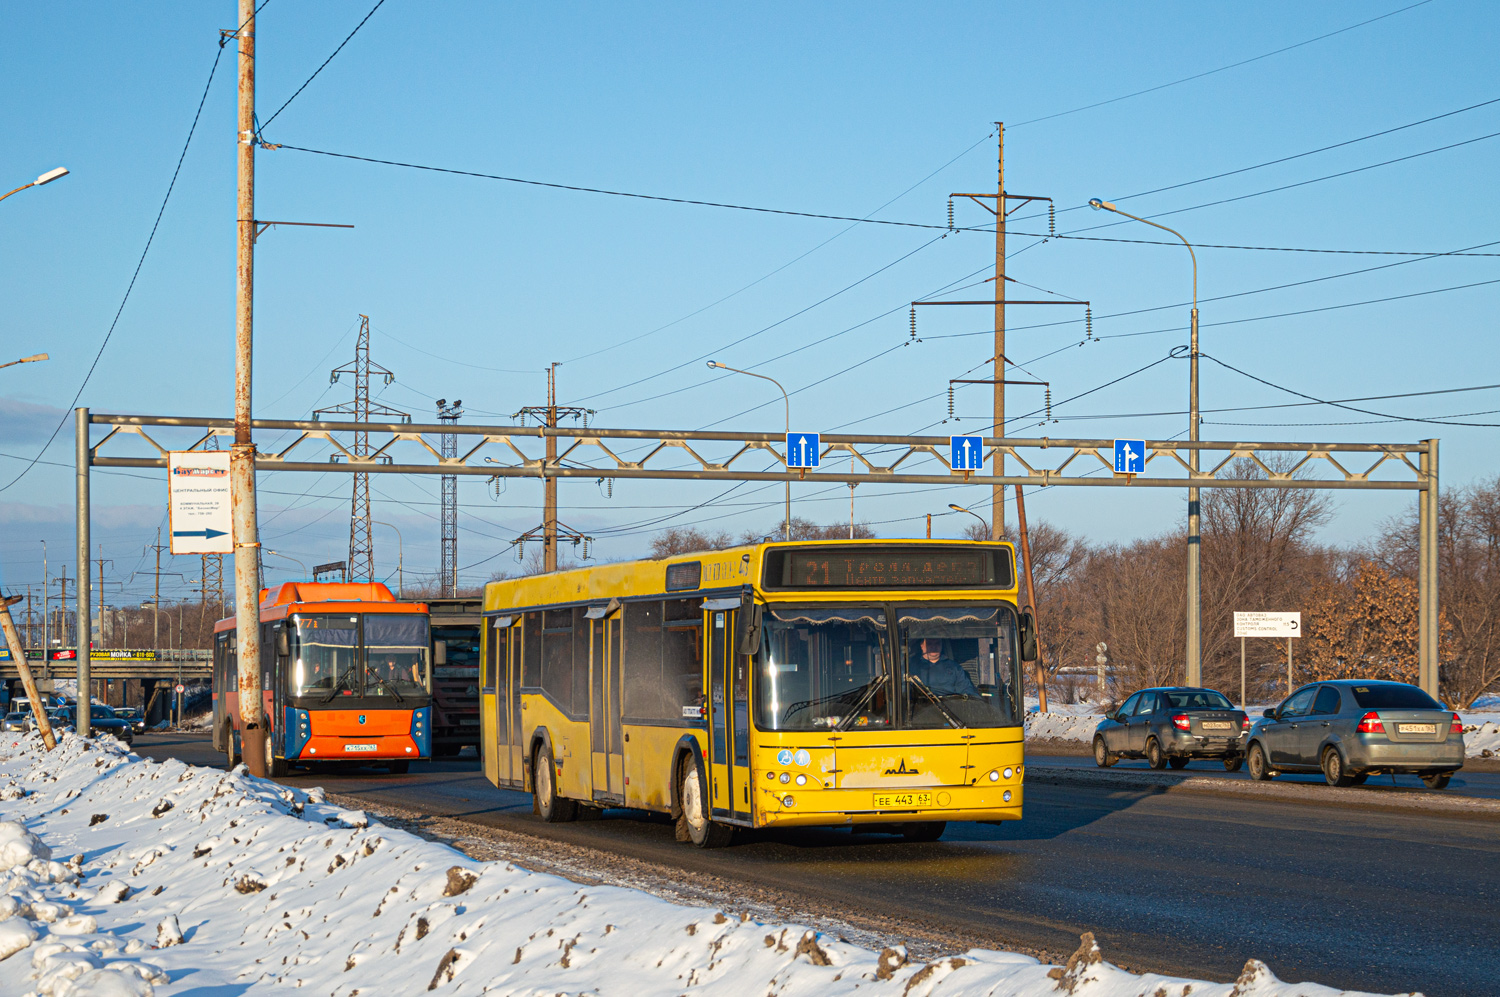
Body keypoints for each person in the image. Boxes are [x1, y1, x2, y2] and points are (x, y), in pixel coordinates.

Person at [909, 638, 980, 697]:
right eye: (929, 644)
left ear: (941, 645)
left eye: (937, 643)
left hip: (949, 709)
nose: (934, 647)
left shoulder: (954, 667)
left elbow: (967, 691)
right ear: (922, 645)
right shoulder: (911, 666)